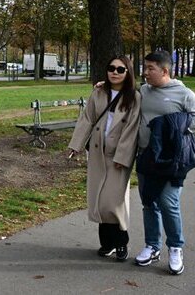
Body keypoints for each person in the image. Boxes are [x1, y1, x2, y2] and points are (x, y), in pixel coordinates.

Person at [134, 50, 195, 275]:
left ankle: (175, 247)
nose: (145, 73)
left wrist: (167, 125)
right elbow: (122, 94)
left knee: (168, 203)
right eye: (145, 68)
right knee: (149, 202)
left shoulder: (183, 93)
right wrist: (102, 86)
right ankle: (152, 246)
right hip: (146, 157)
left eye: (150, 69)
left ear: (164, 71)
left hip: (171, 160)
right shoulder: (144, 90)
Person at [68, 55, 140, 261]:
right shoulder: (99, 92)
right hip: (97, 153)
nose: (114, 73)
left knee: (114, 202)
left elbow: (132, 130)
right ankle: (106, 243)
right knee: (99, 200)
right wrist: (76, 145)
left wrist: (123, 156)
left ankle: (121, 243)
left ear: (128, 73)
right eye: (111, 68)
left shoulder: (134, 97)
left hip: (118, 156)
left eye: (120, 69)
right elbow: (87, 119)